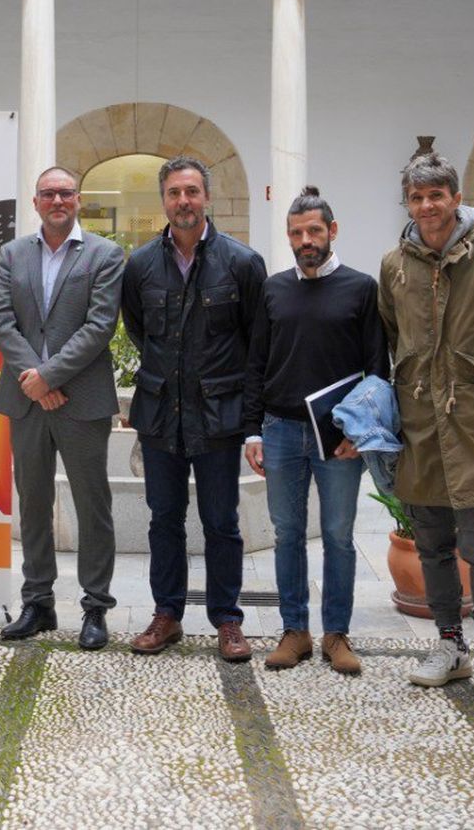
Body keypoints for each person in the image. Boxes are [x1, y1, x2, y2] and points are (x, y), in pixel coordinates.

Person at [378, 151, 474, 700]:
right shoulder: (395, 265)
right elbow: (393, 334)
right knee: (434, 547)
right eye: (416, 198)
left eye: (436, 195)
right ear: (408, 202)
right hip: (421, 429)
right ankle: (449, 643)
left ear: (456, 196)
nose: (427, 207)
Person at [121, 156, 266, 661]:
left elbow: (255, 347)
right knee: (164, 518)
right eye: (174, 193)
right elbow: (140, 331)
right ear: (163, 199)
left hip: (219, 418)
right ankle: (167, 614)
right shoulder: (139, 266)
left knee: (221, 521)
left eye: (192, 192)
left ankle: (227, 619)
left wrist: (252, 424)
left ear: (207, 197)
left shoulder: (242, 263)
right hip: (162, 414)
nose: (183, 201)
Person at [244, 187, 388, 677]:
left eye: (314, 231)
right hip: (281, 430)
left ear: (332, 231)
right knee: (287, 534)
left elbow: (378, 370)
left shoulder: (362, 288)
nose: (306, 240)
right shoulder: (273, 289)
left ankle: (337, 634)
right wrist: (252, 432)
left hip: (337, 437)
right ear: (288, 237)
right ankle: (294, 631)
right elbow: (256, 363)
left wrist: (362, 434)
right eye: (297, 233)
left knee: (338, 536)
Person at [0, 167, 125, 650]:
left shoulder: (106, 255)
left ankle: (95, 607)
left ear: (79, 199)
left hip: (81, 400)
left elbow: (100, 325)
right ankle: (38, 602)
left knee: (93, 505)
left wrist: (50, 375)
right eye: (48, 193)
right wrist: (36, 378)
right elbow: (1, 320)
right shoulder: (13, 254)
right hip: (27, 400)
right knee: (33, 502)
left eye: (65, 192)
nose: (57, 200)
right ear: (35, 201)